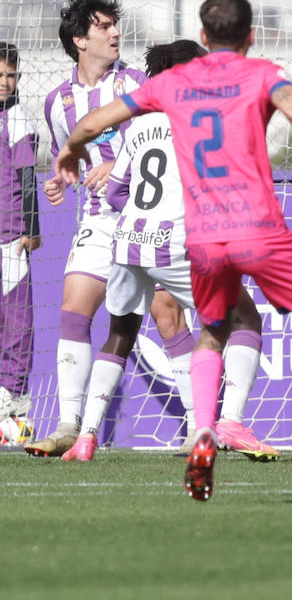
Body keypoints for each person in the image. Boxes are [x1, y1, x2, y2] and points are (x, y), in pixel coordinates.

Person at [55, 0, 292, 501]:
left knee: (211, 330)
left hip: (201, 238)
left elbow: (94, 123)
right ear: (250, 36)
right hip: (258, 229)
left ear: (204, 37)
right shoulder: (262, 72)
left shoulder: (171, 82)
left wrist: (71, 152)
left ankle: (202, 430)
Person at [61, 41, 275, 463]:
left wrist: (145, 214)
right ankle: (229, 421)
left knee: (120, 333)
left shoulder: (137, 125)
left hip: (128, 243)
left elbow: (117, 190)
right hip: (178, 243)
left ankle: (86, 436)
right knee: (244, 317)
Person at [27, 0, 186, 457]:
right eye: (104, 26)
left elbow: (162, 146)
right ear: (80, 40)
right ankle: (67, 424)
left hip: (146, 217)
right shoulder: (57, 102)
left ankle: (204, 425)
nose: (116, 32)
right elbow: (70, 156)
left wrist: (121, 168)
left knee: (168, 317)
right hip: (98, 220)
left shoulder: (137, 84)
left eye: (115, 24)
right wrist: (61, 179)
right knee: (73, 311)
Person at [0, 42, 40, 444]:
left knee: (16, 323)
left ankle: (12, 404)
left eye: (10, 76)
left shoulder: (19, 121)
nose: (5, 83)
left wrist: (32, 229)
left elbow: (28, 182)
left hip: (10, 238)